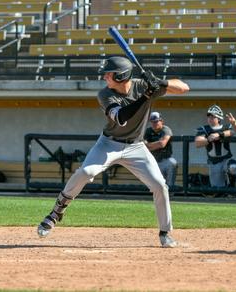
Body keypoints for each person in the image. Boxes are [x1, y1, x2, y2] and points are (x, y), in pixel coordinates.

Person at [36, 56, 189, 248]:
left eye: (110, 74)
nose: (105, 76)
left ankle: (165, 232)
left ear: (122, 76)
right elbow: (122, 118)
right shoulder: (105, 94)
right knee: (86, 172)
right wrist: (146, 95)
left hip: (136, 146)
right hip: (108, 144)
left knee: (160, 185)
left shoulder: (143, 85)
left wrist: (160, 82)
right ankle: (57, 212)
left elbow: (184, 88)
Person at [194, 105, 236, 189]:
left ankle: (232, 184)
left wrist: (219, 134)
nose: (210, 118)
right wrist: (209, 139)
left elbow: (233, 132)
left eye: (213, 116)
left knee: (234, 167)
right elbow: (197, 142)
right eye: (209, 116)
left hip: (226, 159)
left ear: (219, 118)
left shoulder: (225, 127)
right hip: (214, 162)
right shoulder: (204, 129)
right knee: (217, 190)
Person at [144, 111, 177, 189]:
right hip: (153, 160)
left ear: (161, 121)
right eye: (152, 122)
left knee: (172, 162)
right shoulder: (148, 131)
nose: (154, 124)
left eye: (156, 121)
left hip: (165, 159)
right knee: (157, 184)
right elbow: (143, 146)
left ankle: (171, 191)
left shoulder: (165, 129)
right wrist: (154, 145)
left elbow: (162, 144)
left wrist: (149, 145)